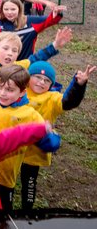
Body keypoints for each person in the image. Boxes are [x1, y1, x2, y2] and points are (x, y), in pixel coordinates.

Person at [0, 29, 60, 211]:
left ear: (22, 92)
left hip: (3, 179)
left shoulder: (29, 115)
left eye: (10, 90)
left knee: (0, 214)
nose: (3, 93)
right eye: (1, 87)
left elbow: (49, 145)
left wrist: (49, 136)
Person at [21, 61, 95, 210]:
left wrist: (78, 85)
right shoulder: (19, 91)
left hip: (33, 154)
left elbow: (68, 101)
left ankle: (26, 212)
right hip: (12, 150)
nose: (41, 82)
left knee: (29, 184)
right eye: (37, 77)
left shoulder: (52, 98)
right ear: (28, 77)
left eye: (47, 80)